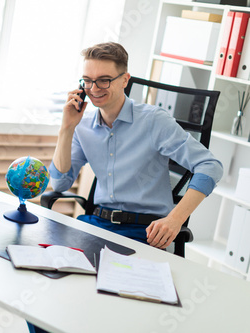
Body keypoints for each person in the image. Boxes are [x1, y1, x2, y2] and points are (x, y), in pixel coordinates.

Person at [28, 41, 223, 333]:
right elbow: (60, 182)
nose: (94, 89)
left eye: (104, 80)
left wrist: (174, 218)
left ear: (124, 79)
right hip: (95, 225)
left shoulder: (154, 121)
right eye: (88, 80)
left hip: (143, 233)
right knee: (42, 295)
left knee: (109, 309)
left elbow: (210, 167)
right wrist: (66, 128)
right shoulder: (82, 125)